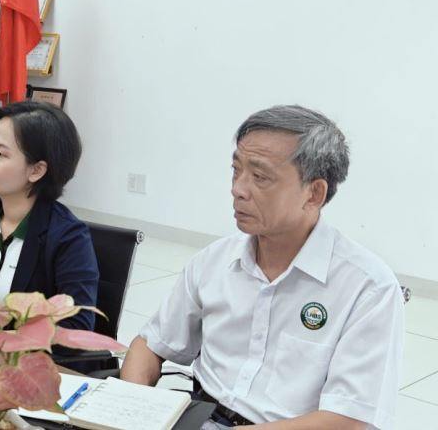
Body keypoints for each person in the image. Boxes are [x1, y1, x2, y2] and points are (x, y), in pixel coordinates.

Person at [120, 105, 404, 429]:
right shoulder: (215, 260)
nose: (238, 189)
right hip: (199, 415)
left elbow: (348, 420)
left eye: (260, 177)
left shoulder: (368, 288)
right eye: (236, 170)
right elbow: (149, 345)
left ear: (314, 193)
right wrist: (132, 409)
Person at [0, 101, 98, 331]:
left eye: (1, 153)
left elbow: (76, 327)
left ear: (36, 170)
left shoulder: (68, 237)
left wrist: (1, 343)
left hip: (26, 355)